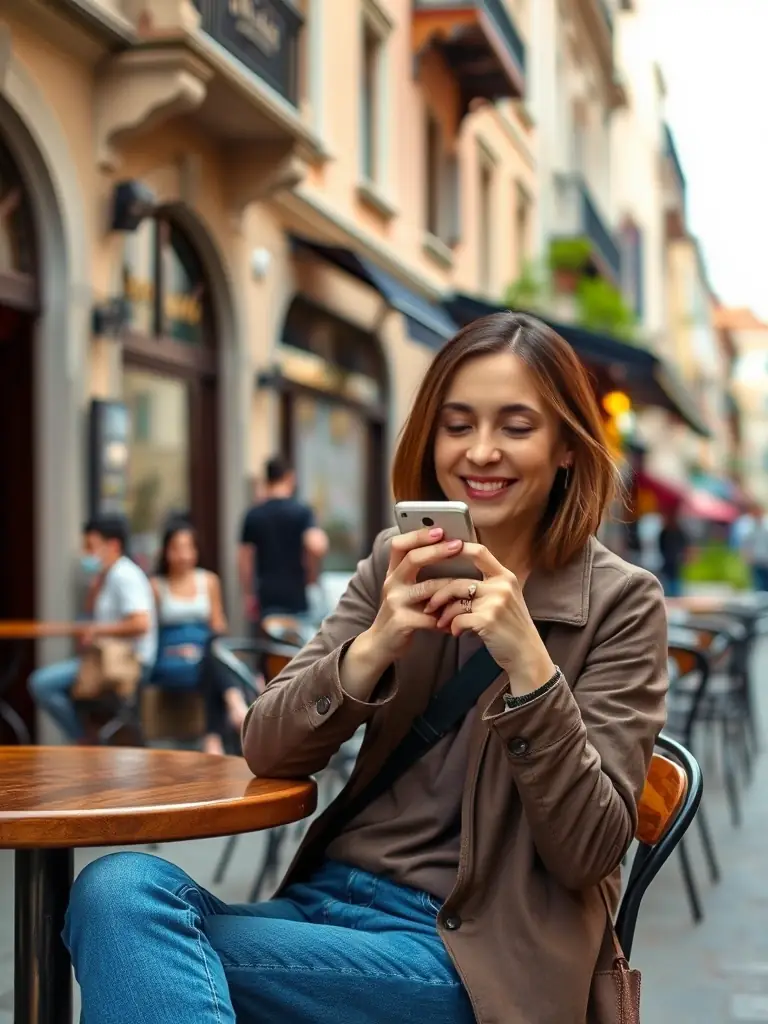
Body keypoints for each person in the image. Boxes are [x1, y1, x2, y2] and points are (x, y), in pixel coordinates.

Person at [64, 312, 668, 1023]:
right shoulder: (396, 560)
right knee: (117, 889)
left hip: (475, 958)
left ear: (566, 446)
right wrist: (374, 645)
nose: (480, 451)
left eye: (515, 426)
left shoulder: (622, 603)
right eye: (458, 424)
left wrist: (530, 664)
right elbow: (266, 744)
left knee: (136, 946)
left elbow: (589, 849)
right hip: (327, 904)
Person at [29, 515, 157, 743]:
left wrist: (97, 630)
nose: (87, 554)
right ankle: (86, 739)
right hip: (103, 660)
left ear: (114, 545)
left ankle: (83, 741)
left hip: (126, 663)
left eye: (91, 547)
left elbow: (140, 623)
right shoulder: (107, 576)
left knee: (42, 684)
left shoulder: (124, 575)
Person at [150, 520, 249, 755]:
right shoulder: (155, 586)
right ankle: (231, 708)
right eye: (177, 548)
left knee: (212, 649)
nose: (183, 555)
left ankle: (213, 738)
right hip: (171, 656)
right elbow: (151, 633)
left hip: (204, 650)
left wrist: (202, 645)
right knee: (215, 657)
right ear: (166, 551)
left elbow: (218, 624)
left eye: (188, 547)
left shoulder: (209, 581)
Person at [238, 456, 329, 639]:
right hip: (296, 593)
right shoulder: (301, 512)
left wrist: (248, 594)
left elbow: (244, 559)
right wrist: (312, 575)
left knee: (270, 651)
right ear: (289, 478)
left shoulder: (253, 515)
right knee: (298, 651)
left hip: (266, 594)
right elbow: (316, 546)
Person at [657, 506, 689, 597]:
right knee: (667, 579)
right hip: (667, 559)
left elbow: (684, 544)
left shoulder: (679, 531)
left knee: (676, 580)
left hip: (676, 560)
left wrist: (684, 555)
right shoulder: (664, 532)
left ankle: (675, 594)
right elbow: (661, 545)